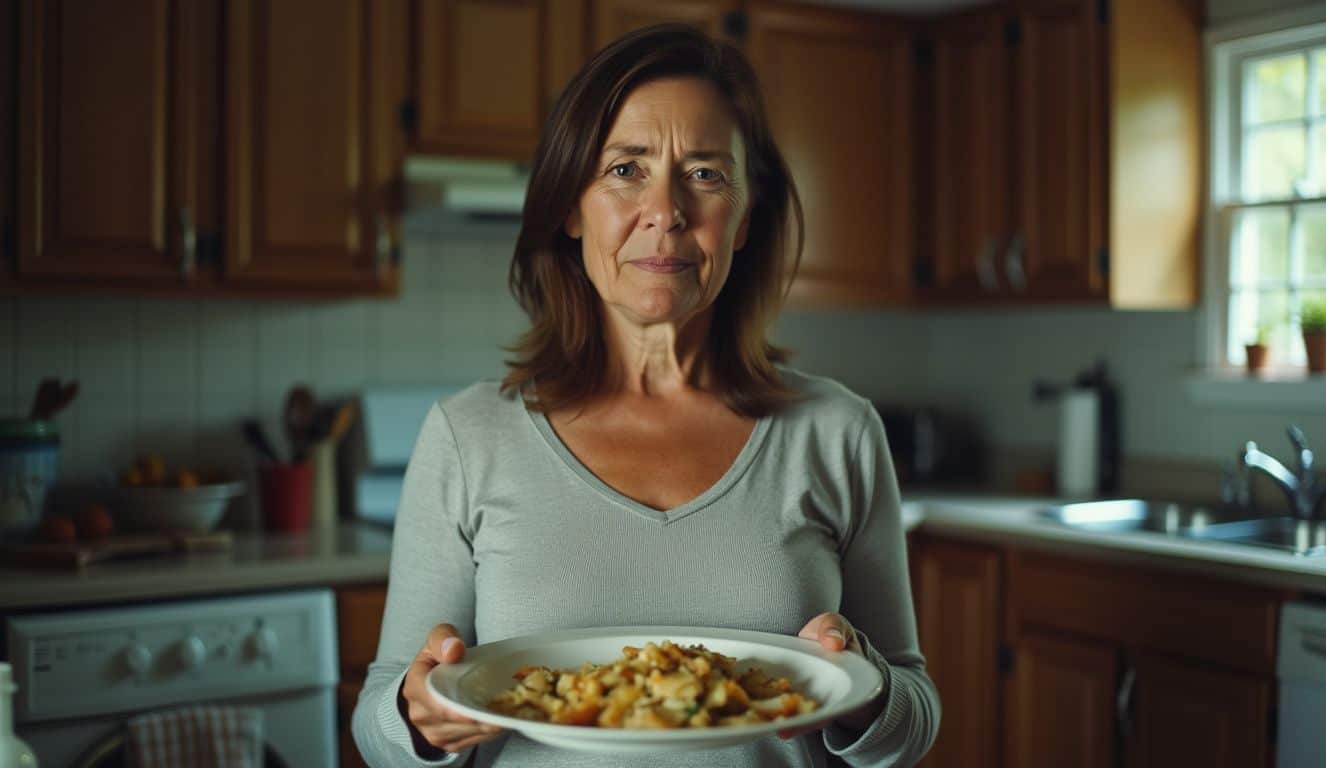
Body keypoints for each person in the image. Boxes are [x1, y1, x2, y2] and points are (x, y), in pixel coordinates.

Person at [352, 23, 939, 768]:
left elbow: (914, 712)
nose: (665, 212)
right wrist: (417, 715)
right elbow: (378, 726)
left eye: (704, 174)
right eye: (626, 170)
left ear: (746, 217)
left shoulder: (838, 431)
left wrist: (868, 686)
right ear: (572, 207)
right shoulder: (466, 436)